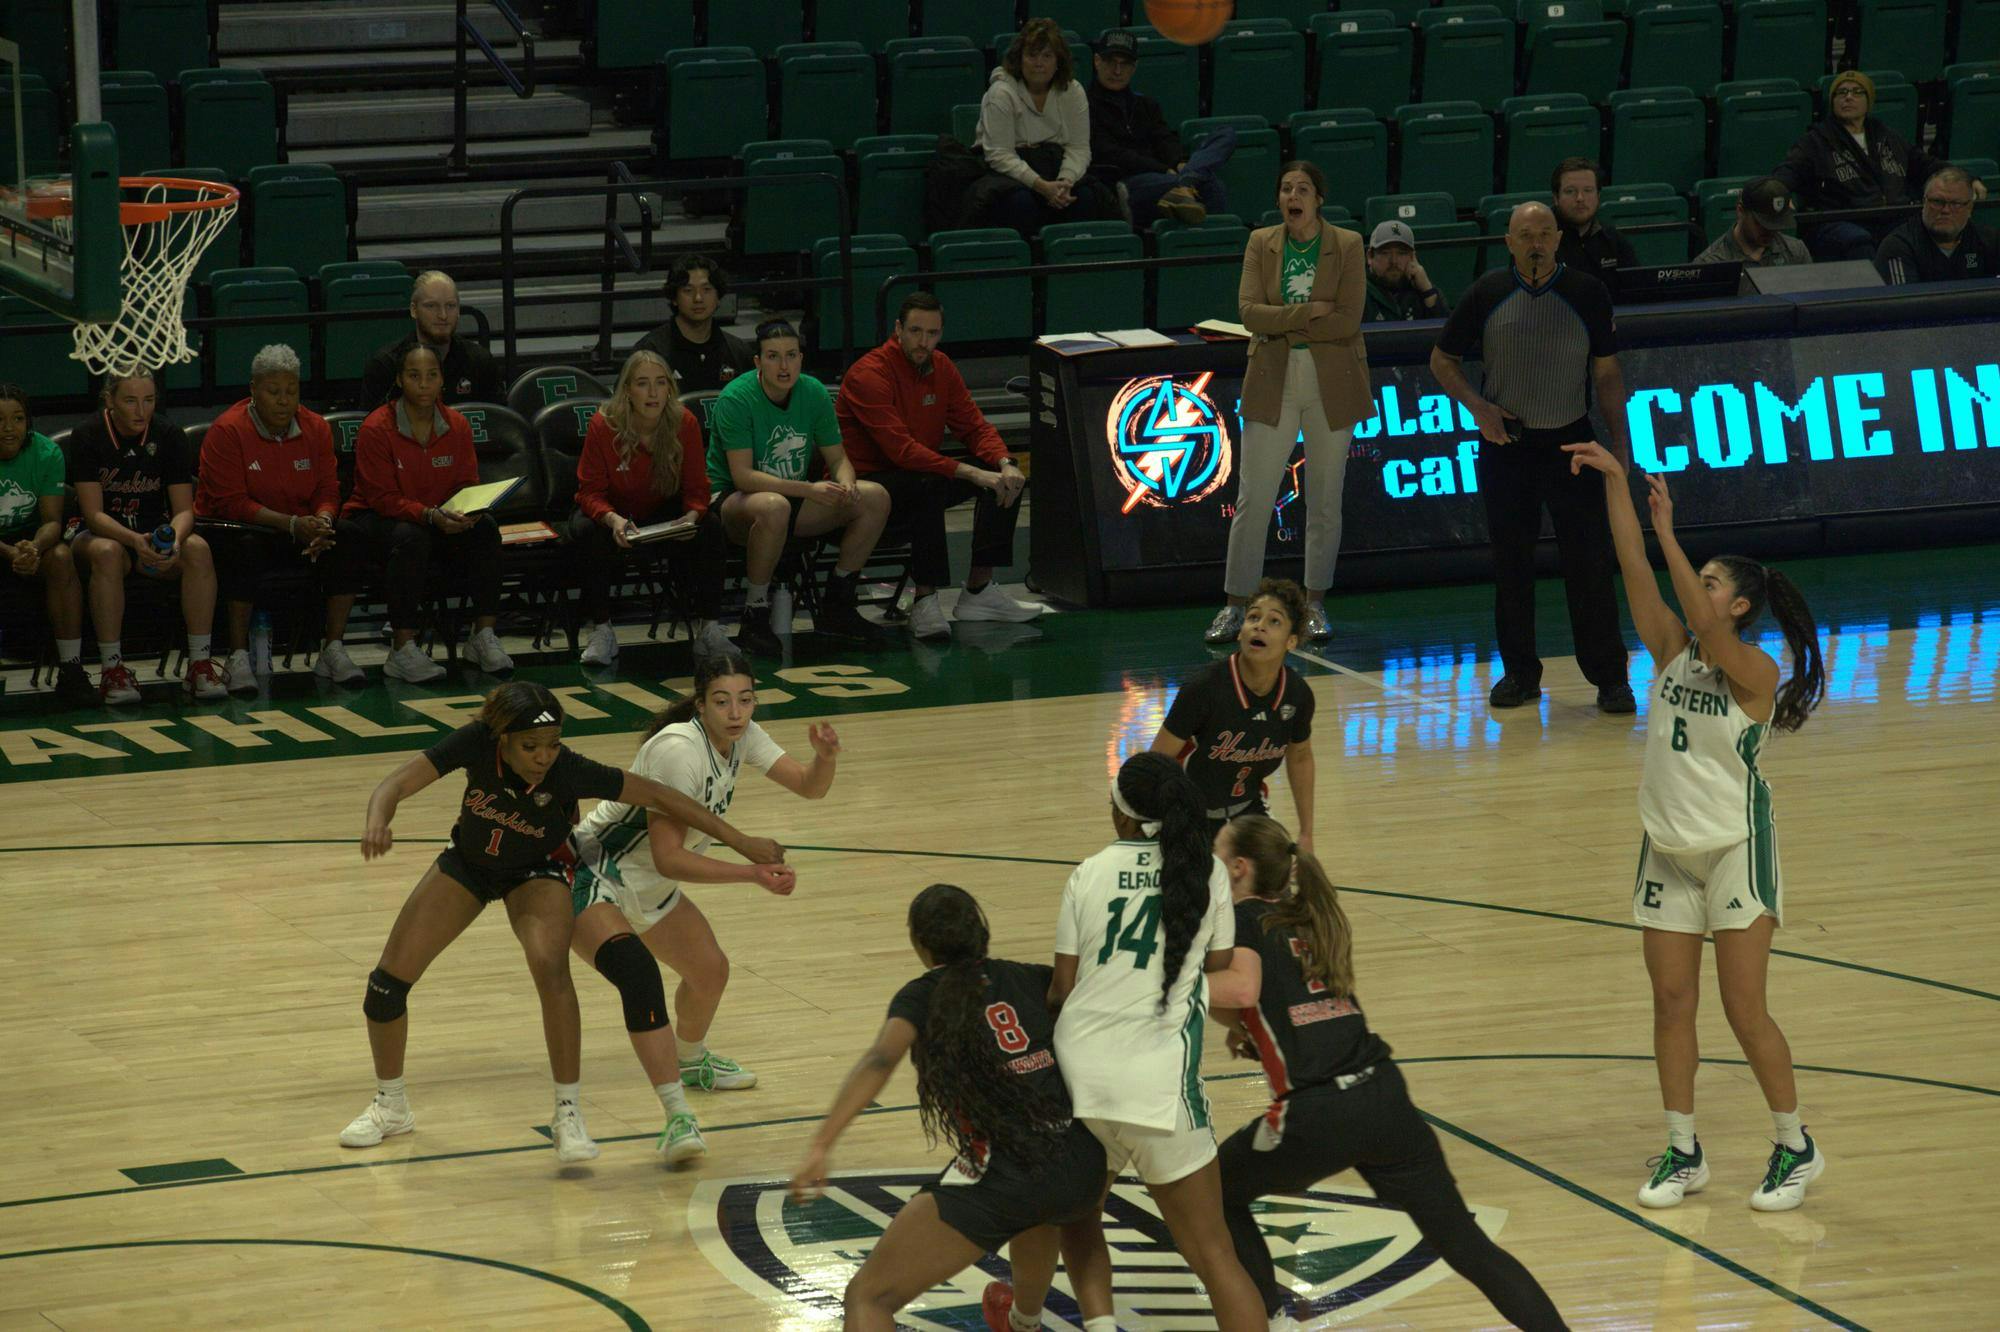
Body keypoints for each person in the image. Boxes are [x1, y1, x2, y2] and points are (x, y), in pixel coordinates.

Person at [338, 681, 783, 1164]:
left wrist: (742, 842)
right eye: (530, 746)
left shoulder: (568, 770)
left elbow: (660, 795)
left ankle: (568, 1114)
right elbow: (395, 784)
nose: (544, 757)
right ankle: (391, 1106)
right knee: (386, 985)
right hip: (468, 865)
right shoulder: (476, 742)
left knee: (552, 972)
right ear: (502, 739)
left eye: (552, 745)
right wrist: (377, 819)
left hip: (539, 871)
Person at [1564, 439, 1828, 1213]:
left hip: (1736, 851)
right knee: (1672, 1002)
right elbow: (1631, 563)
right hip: (1667, 850)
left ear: (1739, 606)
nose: (1696, 590)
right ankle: (1684, 1151)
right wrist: (1617, 483)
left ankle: (1795, 1145)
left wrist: (1669, 532)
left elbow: (1701, 620)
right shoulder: (1671, 650)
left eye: (1711, 583)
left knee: (1744, 1009)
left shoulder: (1754, 671)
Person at [1207, 815, 1569, 1329]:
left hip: (1319, 1110)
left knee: (1216, 1191)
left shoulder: (1245, 918)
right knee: (1466, 1245)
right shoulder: (1309, 918)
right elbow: (1270, 1002)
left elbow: (1240, 989)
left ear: (1239, 868)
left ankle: (1271, 1316)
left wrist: (1161, 983)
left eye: (1217, 853)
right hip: (1383, 1095)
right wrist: (1247, 1028)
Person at [791, 884, 1119, 1332]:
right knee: (1038, 1210)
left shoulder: (923, 995)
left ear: (921, 945)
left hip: (1009, 1172)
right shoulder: (1030, 978)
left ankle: (1022, 1320)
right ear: (981, 932)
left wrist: (821, 1145)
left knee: (868, 1297)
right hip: (1081, 1161)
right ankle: (1023, 1323)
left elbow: (880, 1060)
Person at [568, 650, 829, 1153]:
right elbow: (669, 858)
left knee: (710, 972)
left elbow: (808, 787)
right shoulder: (678, 751)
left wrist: (825, 759)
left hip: (647, 882)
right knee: (640, 980)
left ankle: (691, 1062)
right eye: (722, 701)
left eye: (745, 700)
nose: (736, 712)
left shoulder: (742, 736)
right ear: (700, 703)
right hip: (595, 874)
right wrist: (750, 871)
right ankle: (674, 1117)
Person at [1049, 751, 1267, 1332]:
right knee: (1215, 1256)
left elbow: (1061, 990)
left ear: (1120, 813)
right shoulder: (1209, 872)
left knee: (1079, 1217)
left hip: (1083, 1080)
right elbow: (1216, 966)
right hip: (1158, 1089)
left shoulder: (1088, 871)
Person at [1430, 202, 1635, 714]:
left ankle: (1611, 678)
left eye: (1545, 233)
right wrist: (1477, 407)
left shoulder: (1587, 292)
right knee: (1511, 565)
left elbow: (1607, 373)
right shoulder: (1487, 292)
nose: (1536, 242)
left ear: (1559, 239)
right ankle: (1520, 674)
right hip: (1508, 447)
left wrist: (1620, 442)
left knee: (1590, 564)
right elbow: (1442, 359)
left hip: (1574, 446)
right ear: (1508, 242)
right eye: (1525, 234)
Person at [1205, 161, 1369, 647]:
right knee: (1253, 498)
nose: (1292, 196)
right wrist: (1308, 313)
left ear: (1319, 199)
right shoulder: (1261, 242)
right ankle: (1235, 606)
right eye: (1285, 189)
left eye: (1302, 189)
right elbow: (1249, 313)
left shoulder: (1347, 244)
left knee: (1325, 499)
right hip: (1272, 377)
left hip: (1331, 380)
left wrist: (1283, 320)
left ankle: (1314, 604)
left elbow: (1348, 320)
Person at [835, 292, 1040, 642]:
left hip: (918, 474)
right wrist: (970, 472)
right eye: (915, 331)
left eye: (932, 333)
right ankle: (925, 600)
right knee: (929, 482)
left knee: (1005, 477)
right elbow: (901, 451)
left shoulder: (941, 367)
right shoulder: (869, 374)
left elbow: (974, 426)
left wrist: (1005, 463)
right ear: (898, 329)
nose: (923, 341)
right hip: (869, 483)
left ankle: (979, 590)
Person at [707, 320, 890, 653]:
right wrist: (808, 489)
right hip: (734, 502)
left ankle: (838, 604)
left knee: (875, 498)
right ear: (758, 362)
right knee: (773, 506)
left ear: (801, 359)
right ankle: (754, 615)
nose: (784, 365)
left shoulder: (814, 392)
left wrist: (846, 482)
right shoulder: (736, 398)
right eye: (773, 356)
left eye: (791, 355)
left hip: (792, 498)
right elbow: (743, 477)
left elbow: (838, 458)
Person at [194, 343, 364, 692]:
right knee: (243, 547)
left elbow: (328, 488)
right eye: (274, 391)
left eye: (291, 391)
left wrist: (323, 520)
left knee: (346, 537)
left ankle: (332, 648)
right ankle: (238, 655)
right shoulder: (228, 431)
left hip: (300, 530)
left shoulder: (315, 427)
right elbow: (231, 503)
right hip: (239, 530)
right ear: (253, 390)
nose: (284, 400)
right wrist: (290, 524)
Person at [340, 343, 512, 682]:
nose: (423, 384)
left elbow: (466, 482)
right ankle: (402, 648)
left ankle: (482, 636)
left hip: (437, 518)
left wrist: (468, 512)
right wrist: (430, 515)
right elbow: (383, 497)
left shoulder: (457, 425)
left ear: (442, 380)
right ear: (400, 380)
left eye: (431, 375)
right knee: (411, 538)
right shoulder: (376, 427)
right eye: (414, 375)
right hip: (377, 520)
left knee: (486, 529)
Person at [67, 367, 226, 704]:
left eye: (149, 400)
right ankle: (112, 670)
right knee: (109, 553)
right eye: (130, 401)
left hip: (152, 534)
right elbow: (94, 516)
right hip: (99, 535)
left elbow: (184, 510)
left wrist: (175, 541)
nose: (141, 411)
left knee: (198, 548)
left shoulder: (169, 435)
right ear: (109, 400)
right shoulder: (87, 435)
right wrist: (134, 540)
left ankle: (199, 665)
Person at [569, 349, 733, 667]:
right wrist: (613, 520)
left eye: (661, 382)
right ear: (627, 390)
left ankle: (710, 629)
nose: (653, 392)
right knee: (587, 531)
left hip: (662, 508)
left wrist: (691, 516)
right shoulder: (604, 425)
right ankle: (601, 630)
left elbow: (698, 487)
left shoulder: (684, 422)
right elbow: (589, 492)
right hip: (615, 511)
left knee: (711, 526)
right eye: (643, 383)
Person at [1153, 578, 1317, 850]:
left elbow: (1300, 757)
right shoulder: (1204, 688)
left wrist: (1306, 834)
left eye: (1274, 621)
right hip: (1188, 812)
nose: (1259, 625)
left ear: (1291, 641)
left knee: (1278, 870)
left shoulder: (1297, 695)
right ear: (1240, 633)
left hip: (1247, 809)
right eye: (1253, 617)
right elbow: (1156, 761)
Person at [1773, 70, 1980, 262]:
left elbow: (1926, 164)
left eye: (1857, 92)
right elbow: (1789, 170)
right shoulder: (1816, 140)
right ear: (1832, 101)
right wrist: (1779, 190)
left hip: (1891, 216)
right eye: (1841, 93)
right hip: (1842, 220)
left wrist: (1968, 180)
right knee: (1858, 239)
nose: (1848, 97)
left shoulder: (1886, 134)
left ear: (1869, 101)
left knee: (1935, 226)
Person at [975, 18, 1109, 236]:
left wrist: (1065, 181)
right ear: (1020, 59)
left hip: (1055, 165)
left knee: (1086, 197)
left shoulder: (1073, 91)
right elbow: (999, 154)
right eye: (1032, 55)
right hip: (1008, 173)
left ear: (1058, 61)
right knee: (1021, 203)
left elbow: (1079, 147)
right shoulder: (1000, 93)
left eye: (1047, 56)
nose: (1039, 63)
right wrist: (1042, 187)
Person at [0, 385, 91, 705]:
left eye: (18, 418)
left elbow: (52, 521)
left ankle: (71, 668)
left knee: (62, 557)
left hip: (28, 543)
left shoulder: (46, 453)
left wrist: (34, 548)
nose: (9, 428)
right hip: (7, 550)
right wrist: (10, 553)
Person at [1086, 30, 1232, 228]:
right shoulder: (1084, 105)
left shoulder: (1146, 104)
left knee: (1226, 135)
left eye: (1125, 64)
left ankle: (1188, 180)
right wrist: (1164, 169)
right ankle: (1187, 183)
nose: (1117, 71)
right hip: (1125, 181)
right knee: (1209, 184)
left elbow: (1164, 139)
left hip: (1165, 176)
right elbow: (1111, 153)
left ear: (1134, 67)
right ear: (1097, 61)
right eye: (1111, 62)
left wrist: (1179, 163)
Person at [360, 270, 503, 408]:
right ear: (414, 310)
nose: (443, 315)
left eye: (450, 306)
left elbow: (501, 420)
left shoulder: (480, 362)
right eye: (431, 306)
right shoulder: (385, 366)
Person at [631, 255, 754, 393]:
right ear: (674, 298)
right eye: (688, 290)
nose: (698, 298)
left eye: (706, 289)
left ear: (718, 297)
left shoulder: (739, 352)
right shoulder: (650, 352)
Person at [1875, 165, 1999, 284]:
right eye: (1937, 202)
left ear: (1970, 208)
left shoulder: (1989, 240)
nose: (1945, 210)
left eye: (1955, 203)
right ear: (1924, 203)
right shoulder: (1898, 247)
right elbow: (1904, 298)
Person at [1694, 177, 1813, 268]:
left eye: (1776, 223)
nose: (1770, 231)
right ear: (1740, 211)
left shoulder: (1796, 252)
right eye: (1761, 223)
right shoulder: (1711, 264)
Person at [1552, 157, 1636, 285]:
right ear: (1556, 198)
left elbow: (1636, 287)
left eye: (1588, 190)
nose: (1580, 198)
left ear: (1598, 196)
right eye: (1570, 191)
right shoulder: (1539, 240)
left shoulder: (1613, 239)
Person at [1362, 220, 1451, 322]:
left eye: (1401, 253)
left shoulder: (1422, 290)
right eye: (1385, 253)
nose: (1394, 261)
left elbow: (1447, 330)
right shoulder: (1358, 291)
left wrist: (1427, 291)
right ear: (1370, 256)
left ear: (1412, 257)